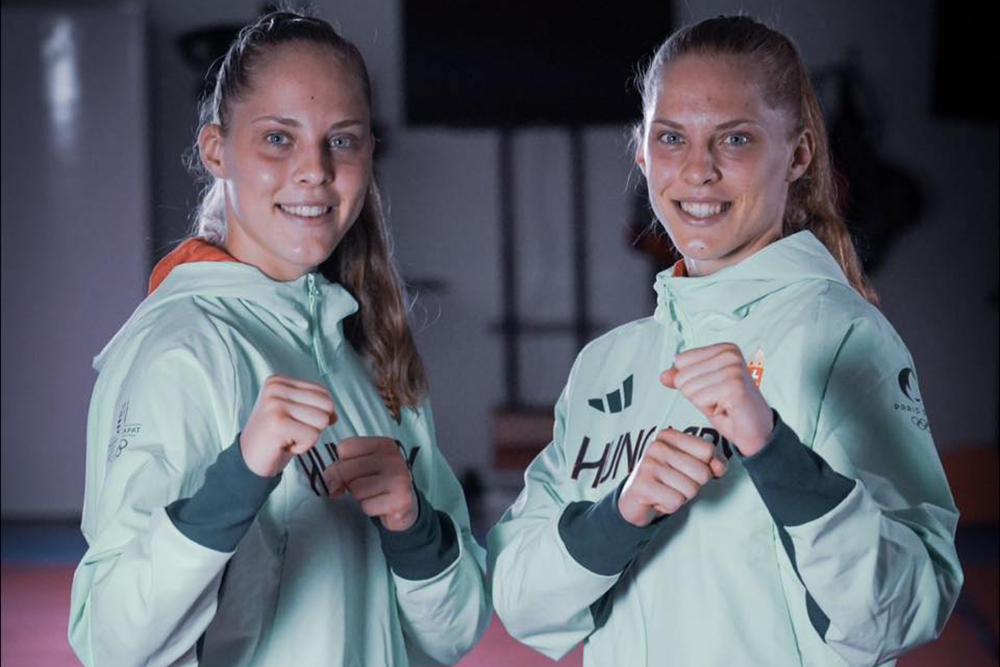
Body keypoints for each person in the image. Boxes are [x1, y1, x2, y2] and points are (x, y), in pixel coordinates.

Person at [488, 15, 962, 667]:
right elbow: (520, 602)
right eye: (672, 138)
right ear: (643, 153)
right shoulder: (607, 364)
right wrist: (621, 515)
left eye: (734, 139)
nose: (697, 171)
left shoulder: (840, 337)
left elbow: (901, 612)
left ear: (797, 154)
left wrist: (773, 451)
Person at [68, 11, 490, 666]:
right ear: (216, 151)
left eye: (341, 141)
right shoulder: (179, 352)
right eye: (277, 138)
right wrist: (237, 479)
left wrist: (413, 529)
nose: (315, 170)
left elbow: (454, 632)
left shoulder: (372, 346)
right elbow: (111, 642)